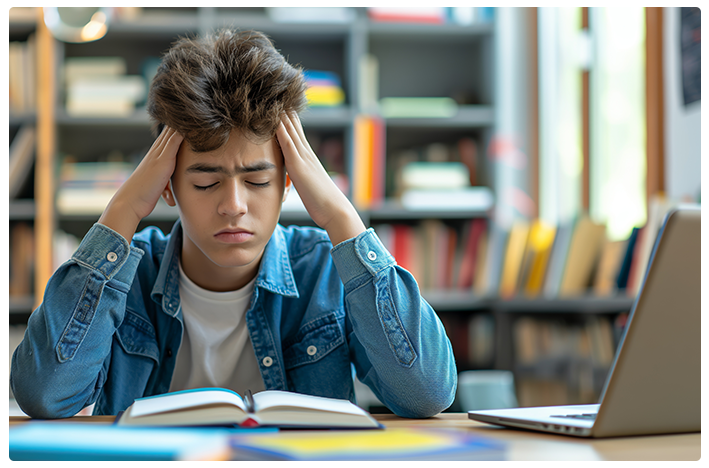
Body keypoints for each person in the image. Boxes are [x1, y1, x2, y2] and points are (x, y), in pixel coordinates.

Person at [11, 29, 457, 419]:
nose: (234, 205)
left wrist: (341, 217)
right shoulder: (131, 277)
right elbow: (45, 395)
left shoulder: (324, 272)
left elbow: (427, 394)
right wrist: (122, 210)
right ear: (166, 187)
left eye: (259, 180)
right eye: (206, 183)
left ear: (287, 183)